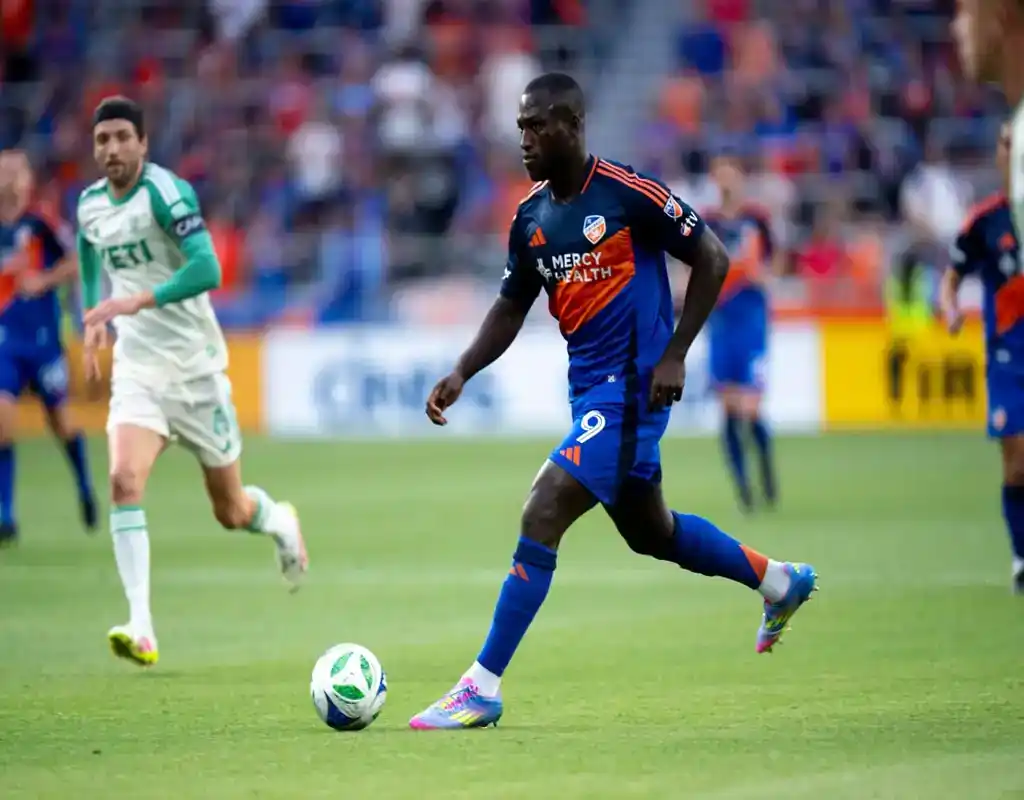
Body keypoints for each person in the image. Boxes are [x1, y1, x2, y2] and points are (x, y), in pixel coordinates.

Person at [410, 73, 818, 731]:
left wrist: (677, 352)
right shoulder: (532, 219)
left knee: (543, 509)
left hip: (632, 390)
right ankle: (778, 580)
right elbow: (511, 306)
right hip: (591, 395)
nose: (525, 140)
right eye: (519, 128)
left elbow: (711, 256)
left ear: (572, 126)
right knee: (650, 532)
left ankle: (480, 685)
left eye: (536, 126)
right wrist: (462, 371)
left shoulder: (629, 195)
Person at [76, 97, 308, 667]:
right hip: (139, 370)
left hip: (196, 369)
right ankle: (142, 624)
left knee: (229, 510)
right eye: (101, 139)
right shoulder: (88, 206)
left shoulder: (166, 193)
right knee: (124, 480)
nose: (110, 149)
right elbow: (88, 254)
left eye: (121, 137)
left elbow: (209, 268)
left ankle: (279, 521)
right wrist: (92, 316)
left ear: (143, 143)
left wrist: (137, 298)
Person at [941, 122, 1024, 592]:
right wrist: (951, 308)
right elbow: (953, 274)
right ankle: (1020, 557)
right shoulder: (986, 220)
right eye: (1005, 144)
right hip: (1010, 358)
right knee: (1016, 460)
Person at [0, 149, 97, 545]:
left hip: (42, 341)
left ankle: (85, 487)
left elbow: (79, 260)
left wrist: (43, 281)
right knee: (2, 423)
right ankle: (6, 514)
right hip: (5, 341)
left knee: (63, 424)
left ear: (26, 179)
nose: (7, 176)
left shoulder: (41, 222)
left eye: (15, 170)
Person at [703, 154, 777, 511]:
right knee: (729, 408)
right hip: (720, 319)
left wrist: (762, 272)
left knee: (751, 408)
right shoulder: (707, 222)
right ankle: (744, 488)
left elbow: (776, 261)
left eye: (731, 175)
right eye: (721, 176)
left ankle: (766, 473)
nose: (726, 182)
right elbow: (693, 263)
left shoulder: (756, 219)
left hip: (751, 318)